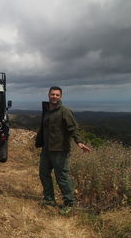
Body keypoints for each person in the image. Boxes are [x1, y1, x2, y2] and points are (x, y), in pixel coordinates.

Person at [35, 86, 92, 215]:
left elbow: (73, 128)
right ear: (48, 95)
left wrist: (79, 142)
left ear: (60, 97)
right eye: (52, 94)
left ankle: (69, 203)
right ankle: (49, 199)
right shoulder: (47, 110)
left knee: (62, 177)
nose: (54, 96)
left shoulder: (64, 111)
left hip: (60, 150)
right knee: (43, 173)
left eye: (57, 95)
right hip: (47, 149)